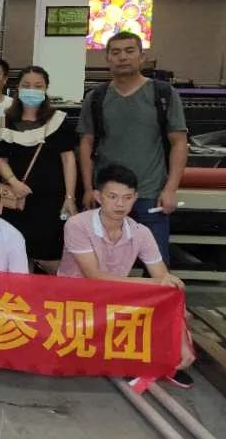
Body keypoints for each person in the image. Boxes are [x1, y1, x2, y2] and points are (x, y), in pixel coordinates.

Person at [57, 164, 194, 388]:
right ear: (98, 196)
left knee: (173, 305)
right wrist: (154, 283)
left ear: (135, 198)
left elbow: (166, 286)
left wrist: (181, 337)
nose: (120, 204)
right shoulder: (77, 224)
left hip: (114, 301)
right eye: (112, 197)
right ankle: (132, 357)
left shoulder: (141, 232)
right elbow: (94, 276)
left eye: (127, 197)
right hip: (74, 303)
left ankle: (167, 359)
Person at [78, 31, 188, 264]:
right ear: (108, 59)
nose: (122, 57)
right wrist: (88, 188)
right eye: (116, 52)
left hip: (151, 194)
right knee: (104, 264)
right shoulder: (95, 98)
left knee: (156, 263)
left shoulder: (163, 94)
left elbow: (179, 142)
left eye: (129, 51)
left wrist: (171, 189)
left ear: (142, 57)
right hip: (107, 196)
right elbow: (86, 144)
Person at [0, 66, 77, 273]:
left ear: (46, 88)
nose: (31, 90)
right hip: (17, 200)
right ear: (18, 88)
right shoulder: (7, 119)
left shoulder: (58, 120)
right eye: (26, 85)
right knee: (20, 256)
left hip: (50, 201)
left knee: (50, 257)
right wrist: (14, 183)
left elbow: (68, 160)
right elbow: (0, 159)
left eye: (38, 86)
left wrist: (69, 197)